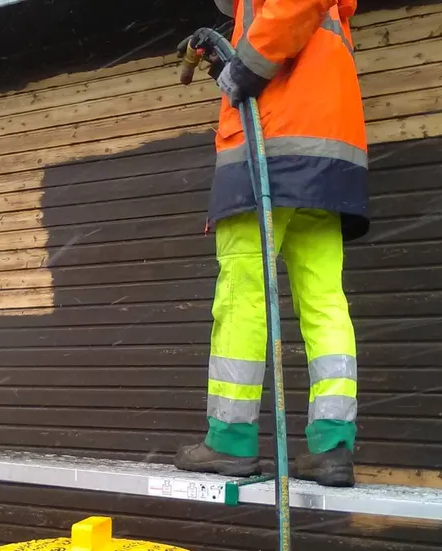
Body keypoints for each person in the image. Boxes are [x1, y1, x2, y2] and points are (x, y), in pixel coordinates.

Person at [174, 0, 369, 488]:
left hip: (270, 148)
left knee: (243, 298)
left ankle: (229, 440)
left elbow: (290, 12)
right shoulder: (332, 17)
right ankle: (332, 445)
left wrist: (246, 67)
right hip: (328, 157)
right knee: (325, 300)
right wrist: (237, 58)